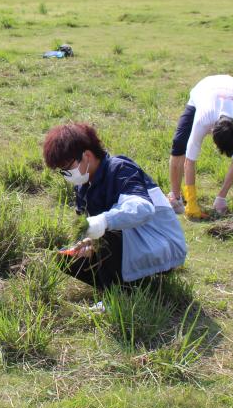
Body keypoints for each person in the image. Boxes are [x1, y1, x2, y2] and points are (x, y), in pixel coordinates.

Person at [43, 122, 186, 289]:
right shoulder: (83, 186)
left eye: (67, 168)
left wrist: (102, 222)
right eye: (61, 171)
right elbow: (92, 228)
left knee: (108, 233)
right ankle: (123, 285)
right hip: (131, 245)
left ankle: (119, 295)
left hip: (160, 243)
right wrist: (87, 241)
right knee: (65, 258)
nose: (66, 175)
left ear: (87, 156)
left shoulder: (120, 169)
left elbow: (143, 208)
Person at [167, 75, 233, 218]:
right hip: (204, 89)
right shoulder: (203, 119)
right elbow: (189, 161)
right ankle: (176, 196)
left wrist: (222, 197)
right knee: (179, 144)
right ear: (212, 133)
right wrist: (191, 201)